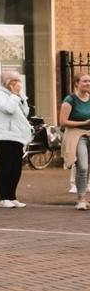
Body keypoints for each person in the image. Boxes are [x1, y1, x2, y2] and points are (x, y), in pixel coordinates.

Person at [0, 73, 32, 208]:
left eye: (19, 80)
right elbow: (8, 109)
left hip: (16, 135)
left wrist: (21, 98)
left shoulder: (17, 96)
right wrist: (14, 95)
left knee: (16, 168)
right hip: (3, 136)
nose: (18, 83)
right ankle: (3, 198)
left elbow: (25, 113)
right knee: (5, 167)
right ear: (8, 82)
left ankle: (12, 196)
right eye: (14, 80)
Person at [63, 72, 90, 207]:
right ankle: (81, 199)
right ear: (76, 83)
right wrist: (84, 122)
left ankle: (84, 196)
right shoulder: (70, 100)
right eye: (84, 81)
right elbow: (63, 121)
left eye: (89, 81)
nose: (87, 84)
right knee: (83, 166)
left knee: (88, 167)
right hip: (77, 135)